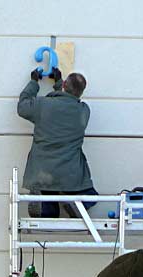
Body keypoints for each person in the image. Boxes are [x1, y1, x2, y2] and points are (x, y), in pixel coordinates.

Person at [18, 67, 97, 218]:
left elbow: (22, 106)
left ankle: (43, 207)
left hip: (43, 171)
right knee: (89, 194)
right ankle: (76, 203)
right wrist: (60, 84)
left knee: (47, 202)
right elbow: (68, 101)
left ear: (65, 84)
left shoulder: (43, 105)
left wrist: (34, 82)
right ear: (81, 92)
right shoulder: (83, 111)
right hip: (70, 173)